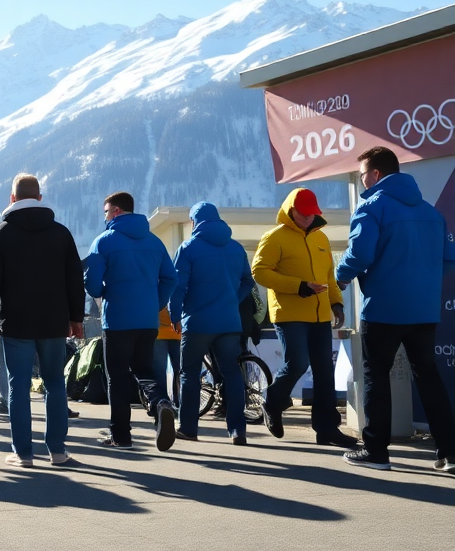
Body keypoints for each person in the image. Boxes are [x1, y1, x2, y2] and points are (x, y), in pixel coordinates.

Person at [335, 147, 455, 471]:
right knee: (429, 377)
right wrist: (422, 282)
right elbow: (447, 259)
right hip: (424, 311)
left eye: (362, 176)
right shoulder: (432, 213)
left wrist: (340, 276)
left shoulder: (371, 206)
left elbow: (359, 255)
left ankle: (375, 451)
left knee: (376, 376)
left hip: (383, 309)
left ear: (374, 174)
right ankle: (449, 452)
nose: (362, 183)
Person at [0, 174, 85, 467]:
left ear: (12, 199)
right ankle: (58, 450)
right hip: (54, 322)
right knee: (54, 383)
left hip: (16, 323)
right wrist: (76, 318)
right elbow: (75, 280)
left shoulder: (0, 234)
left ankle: (23, 453)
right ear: (39, 198)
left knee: (18, 386)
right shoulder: (61, 233)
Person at [252, 188, 357, 448]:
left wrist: (336, 303)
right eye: (304, 213)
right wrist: (298, 286)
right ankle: (272, 400)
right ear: (291, 210)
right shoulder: (274, 237)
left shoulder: (321, 238)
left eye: (313, 214)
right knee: (297, 363)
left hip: (320, 314)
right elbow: (259, 272)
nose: (309, 218)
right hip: (289, 313)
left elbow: (329, 277)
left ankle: (327, 429)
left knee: (324, 372)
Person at [84, 191, 178, 451]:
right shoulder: (154, 241)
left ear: (115, 211)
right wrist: (155, 303)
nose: (104, 217)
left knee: (116, 377)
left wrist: (102, 291)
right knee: (143, 370)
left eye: (105, 212)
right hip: (148, 320)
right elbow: (171, 278)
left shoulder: (104, 241)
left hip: (117, 320)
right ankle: (160, 403)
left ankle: (121, 436)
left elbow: (92, 284)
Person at [168, 202, 256, 445]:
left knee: (190, 374)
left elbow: (178, 287)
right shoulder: (236, 248)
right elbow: (248, 282)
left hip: (197, 323)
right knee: (232, 374)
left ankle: (188, 428)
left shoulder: (188, 248)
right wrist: (231, 299)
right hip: (229, 322)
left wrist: (175, 314)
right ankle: (238, 429)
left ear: (195, 222)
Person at [152, 306, 181, 408]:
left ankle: (163, 405)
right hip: (176, 330)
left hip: (162, 329)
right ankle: (176, 403)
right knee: (179, 370)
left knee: (160, 371)